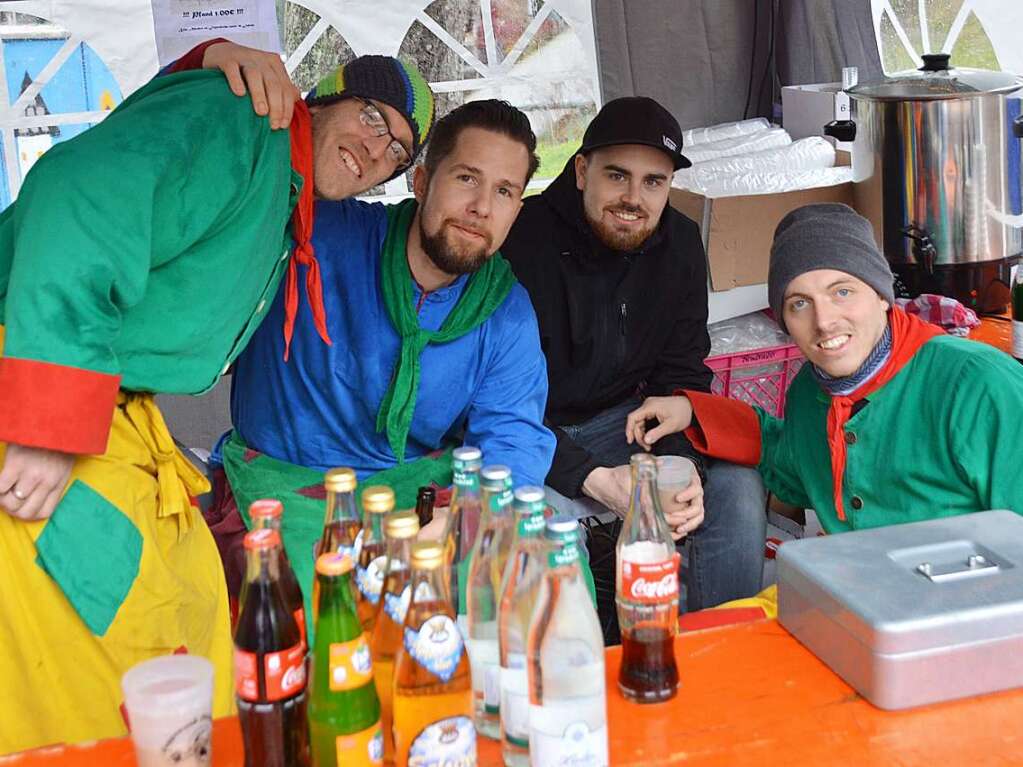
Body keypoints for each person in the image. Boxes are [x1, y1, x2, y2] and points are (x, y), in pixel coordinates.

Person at [0, 38, 434, 753]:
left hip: (119, 410)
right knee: (95, 675)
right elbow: (79, 191)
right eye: (371, 115)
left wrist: (192, 63)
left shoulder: (279, 187)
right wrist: (50, 417)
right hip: (43, 375)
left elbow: (143, 150)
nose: (377, 148)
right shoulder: (243, 123)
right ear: (321, 97)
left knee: (198, 605)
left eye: (397, 151)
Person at [214, 97, 556, 622]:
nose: (482, 207)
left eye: (505, 191)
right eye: (467, 178)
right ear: (421, 182)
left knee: (537, 572)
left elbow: (512, 441)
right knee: (326, 596)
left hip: (411, 492)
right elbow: (237, 171)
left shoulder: (504, 312)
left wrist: (464, 521)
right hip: (284, 481)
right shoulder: (317, 233)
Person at [500, 97, 767, 610]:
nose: (633, 198)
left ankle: (719, 657)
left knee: (735, 490)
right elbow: (489, 401)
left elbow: (682, 370)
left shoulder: (680, 243)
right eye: (617, 176)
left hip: (621, 425)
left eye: (654, 182)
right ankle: (583, 669)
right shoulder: (519, 238)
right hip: (524, 432)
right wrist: (597, 481)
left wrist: (679, 460)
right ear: (582, 171)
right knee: (537, 531)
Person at [626, 203, 1023, 533]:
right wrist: (695, 410)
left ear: (883, 296)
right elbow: (786, 453)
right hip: (855, 608)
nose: (824, 321)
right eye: (799, 302)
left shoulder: (978, 385)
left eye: (842, 292)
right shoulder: (810, 393)